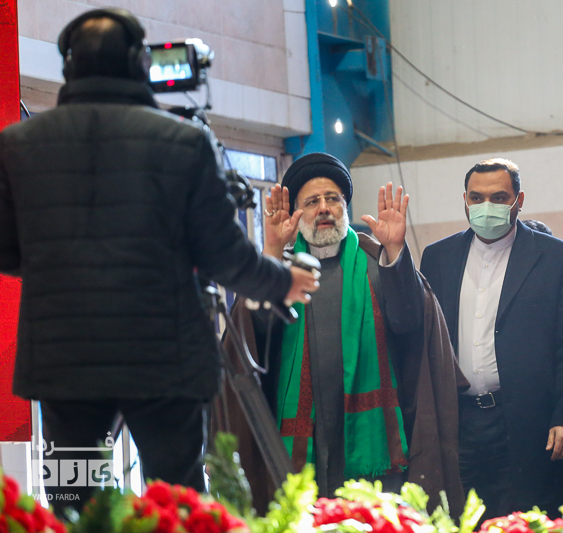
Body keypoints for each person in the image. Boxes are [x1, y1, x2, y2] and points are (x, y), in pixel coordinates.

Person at [0, 8, 318, 516]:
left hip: (64, 365)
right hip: (165, 362)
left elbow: (8, 253)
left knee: (73, 503)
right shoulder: (183, 142)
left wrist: (61, 263)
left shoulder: (16, 146)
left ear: (69, 65)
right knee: (178, 500)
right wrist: (283, 280)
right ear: (137, 62)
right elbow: (224, 255)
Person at [216, 152, 466, 515]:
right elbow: (252, 339)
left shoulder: (378, 263)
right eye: (312, 201)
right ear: (296, 212)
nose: (324, 208)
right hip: (304, 438)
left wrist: (396, 250)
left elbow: (411, 324)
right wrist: (270, 254)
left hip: (373, 441)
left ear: (345, 206)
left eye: (332, 198)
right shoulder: (280, 272)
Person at [419, 158, 563, 519]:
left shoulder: (557, 258)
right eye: (477, 198)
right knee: (462, 520)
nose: (487, 207)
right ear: (465, 201)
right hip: (459, 422)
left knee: (525, 519)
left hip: (529, 423)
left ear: (519, 200)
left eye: (499, 197)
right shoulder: (437, 258)